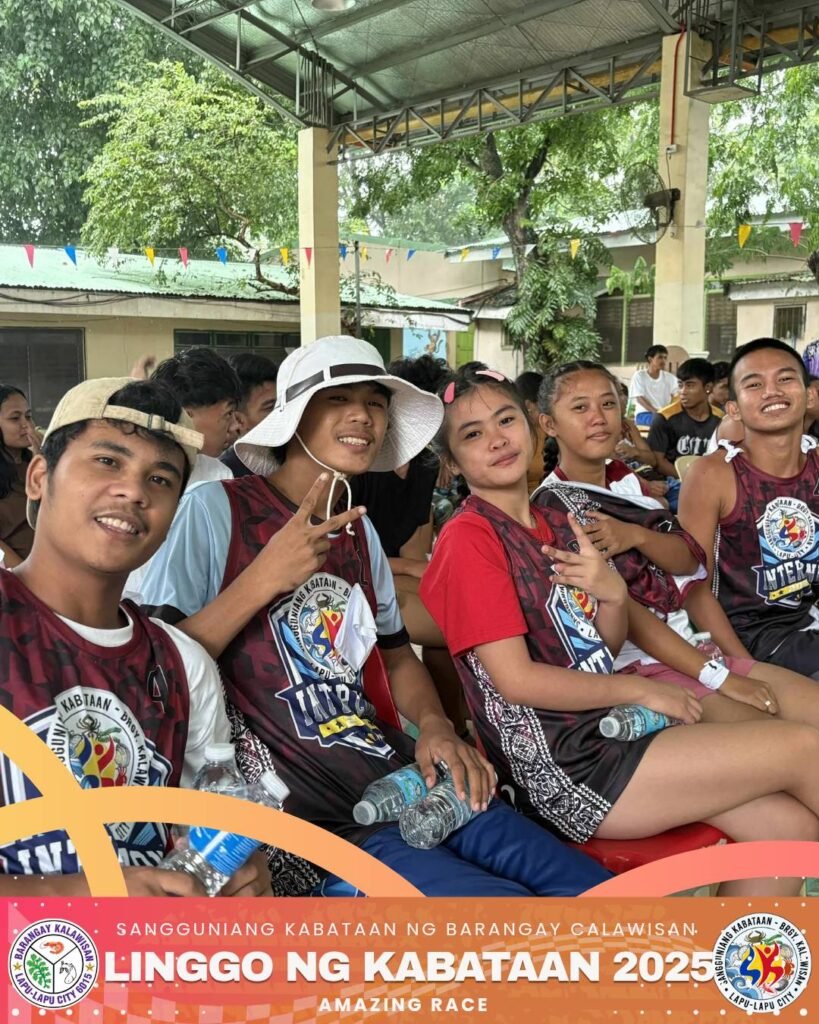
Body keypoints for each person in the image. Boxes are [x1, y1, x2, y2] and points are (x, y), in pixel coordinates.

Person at [138, 336, 610, 897]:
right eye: (338, 399)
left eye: (375, 402)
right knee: (503, 923)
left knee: (597, 896)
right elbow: (157, 669)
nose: (362, 415)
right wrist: (264, 578)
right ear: (294, 417)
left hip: (402, 778)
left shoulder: (357, 529)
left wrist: (435, 725)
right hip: (308, 816)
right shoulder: (218, 509)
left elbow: (396, 655)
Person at [420, 361, 819, 896]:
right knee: (805, 748)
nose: (496, 440)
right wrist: (641, 690)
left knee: (789, 830)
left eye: (505, 420)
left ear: (531, 426)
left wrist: (610, 596)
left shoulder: (555, 523)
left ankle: (719, 954)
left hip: (610, 729)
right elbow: (516, 681)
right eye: (473, 434)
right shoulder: (469, 538)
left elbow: (598, 648)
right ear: (451, 462)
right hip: (563, 765)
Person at [0, 376, 269, 897]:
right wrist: (90, 894)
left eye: (161, 479)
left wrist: (237, 871)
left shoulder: (182, 664)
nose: (134, 491)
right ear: (39, 477)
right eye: (107, 461)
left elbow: (208, 830)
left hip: (157, 945)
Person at [533, 359, 819, 730]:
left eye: (607, 404)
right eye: (580, 407)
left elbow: (689, 569)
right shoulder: (556, 507)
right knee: (793, 739)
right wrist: (721, 676)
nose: (598, 418)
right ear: (549, 424)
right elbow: (631, 616)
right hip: (640, 667)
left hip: (696, 645)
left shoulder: (626, 483)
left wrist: (636, 535)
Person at [679, 337, 819, 680]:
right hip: (749, 638)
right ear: (734, 409)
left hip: (808, 621)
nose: (772, 391)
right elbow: (693, 587)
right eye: (754, 384)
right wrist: (747, 673)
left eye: (785, 378)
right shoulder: (713, 474)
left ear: (809, 395)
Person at [349, 354, 468, 734]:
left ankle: (456, 728)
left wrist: (422, 571)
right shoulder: (361, 466)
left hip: (390, 573)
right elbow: (347, 552)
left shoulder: (425, 466)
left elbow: (416, 548)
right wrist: (412, 568)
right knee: (460, 628)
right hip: (356, 579)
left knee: (455, 611)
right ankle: (455, 727)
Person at [151, 348, 241, 485]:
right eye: (228, 413)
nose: (236, 425)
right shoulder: (142, 472)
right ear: (185, 415)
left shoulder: (219, 475)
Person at [646, 358, 722, 511]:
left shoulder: (721, 420)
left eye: (690, 385)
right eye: (680, 385)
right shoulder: (664, 418)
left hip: (711, 481)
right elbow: (658, 461)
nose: (683, 391)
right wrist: (690, 478)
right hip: (673, 483)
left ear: (708, 387)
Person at [221, 353, 279, 477]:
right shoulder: (226, 478)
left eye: (283, 403)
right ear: (238, 420)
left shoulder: (296, 459)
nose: (282, 413)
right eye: (270, 407)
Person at [0, 385, 39, 566]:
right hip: (13, 574)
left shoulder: (36, 463)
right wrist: (22, 576)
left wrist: (45, 461)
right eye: (15, 418)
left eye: (28, 416)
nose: (27, 425)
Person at [627, 345, 677, 427]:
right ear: (650, 359)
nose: (663, 360)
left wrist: (668, 411)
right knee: (662, 422)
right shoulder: (640, 376)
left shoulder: (670, 378)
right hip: (644, 414)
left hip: (664, 415)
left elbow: (677, 395)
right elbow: (640, 398)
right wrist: (656, 412)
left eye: (665, 358)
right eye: (660, 357)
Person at [514, 370, 546, 492]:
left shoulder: (551, 431)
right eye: (543, 403)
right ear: (528, 405)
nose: (548, 409)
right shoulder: (514, 437)